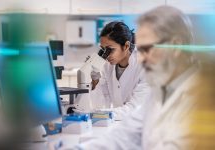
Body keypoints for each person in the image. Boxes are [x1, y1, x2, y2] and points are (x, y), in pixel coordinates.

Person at [69, 6, 215, 150]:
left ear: (176, 46)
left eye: (146, 50)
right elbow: (126, 134)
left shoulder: (204, 97)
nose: (140, 59)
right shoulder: (161, 91)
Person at [89, 21, 150, 120]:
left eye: (110, 49)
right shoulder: (107, 66)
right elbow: (101, 105)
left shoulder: (145, 66)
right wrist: (95, 81)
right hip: (119, 122)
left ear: (126, 46)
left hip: (142, 124)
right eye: (104, 50)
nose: (106, 55)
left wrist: (102, 114)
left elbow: (135, 109)